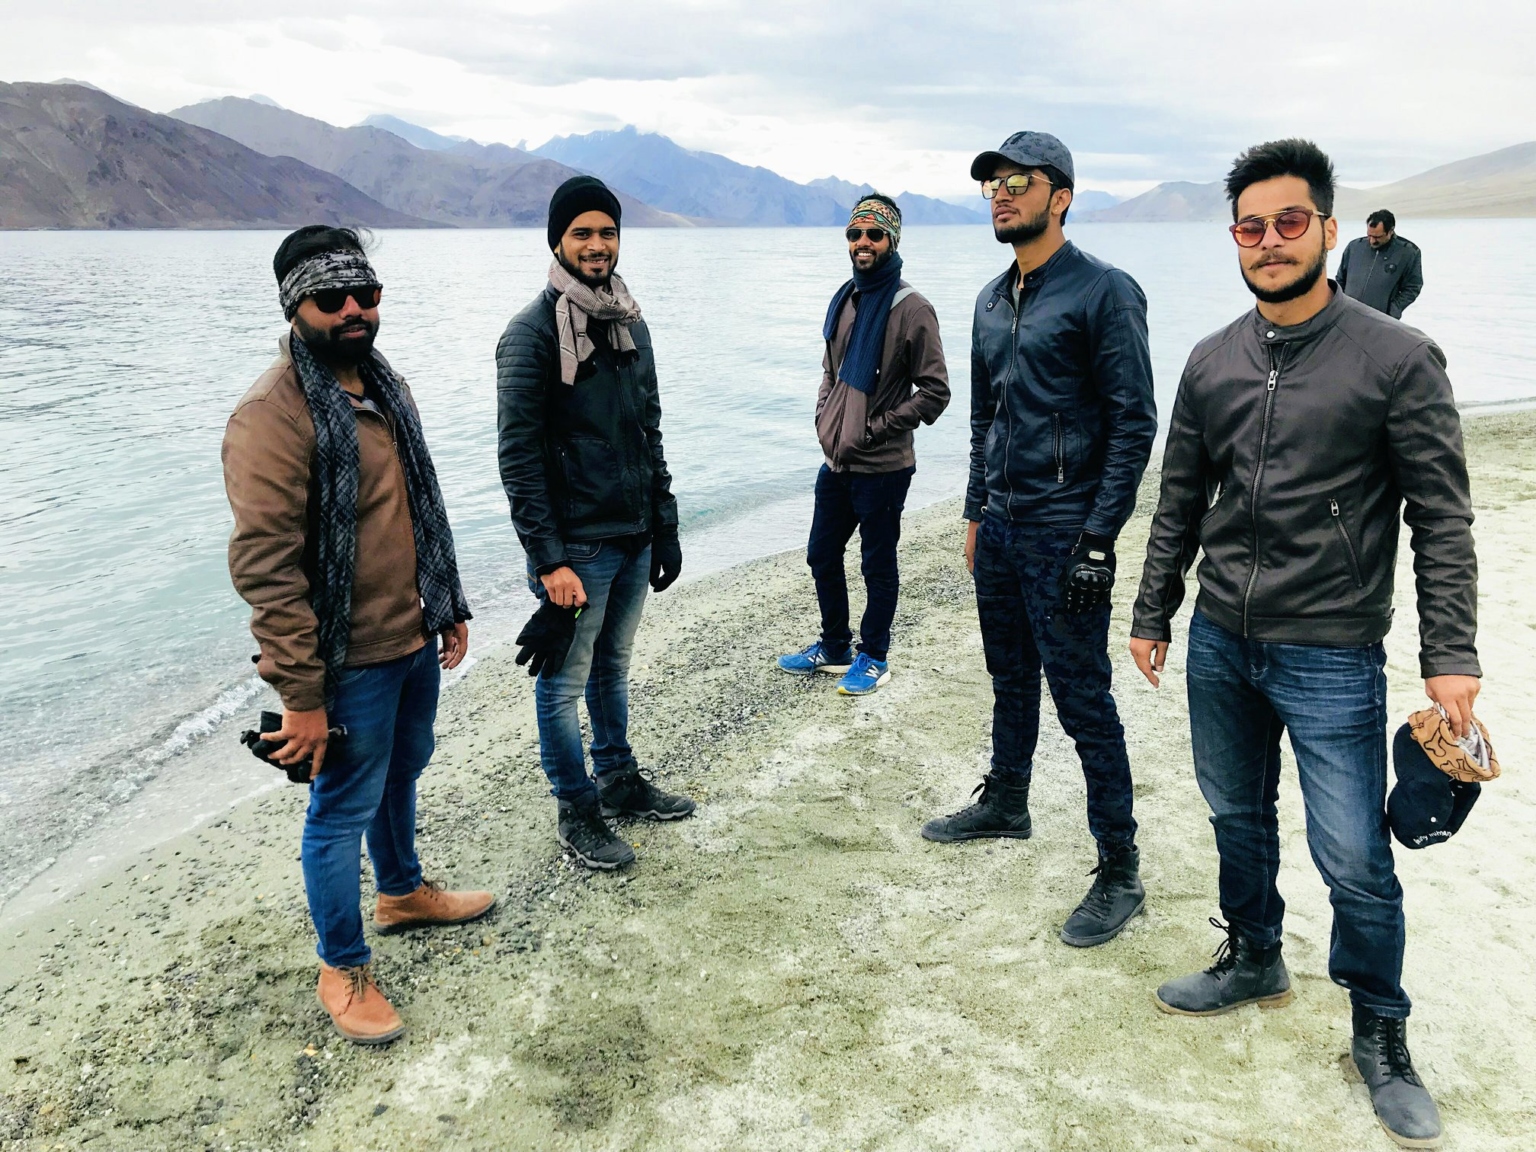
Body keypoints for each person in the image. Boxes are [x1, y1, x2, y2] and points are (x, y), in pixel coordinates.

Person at [1130, 139, 1478, 1149]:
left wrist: (1450, 651)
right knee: (1235, 813)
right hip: (1219, 641)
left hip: (1330, 647)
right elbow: (1178, 498)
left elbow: (1441, 516)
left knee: (1354, 854)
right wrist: (1153, 611)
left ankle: (1381, 1031)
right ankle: (1255, 956)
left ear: (1328, 228)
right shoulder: (1211, 360)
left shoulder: (1396, 358)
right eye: (1251, 226)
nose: (1270, 241)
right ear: (1234, 238)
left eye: (1290, 222)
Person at [223, 226, 493, 1046]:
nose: (353, 310)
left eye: (365, 294)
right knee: (340, 811)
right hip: (344, 663)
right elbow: (267, 569)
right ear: (294, 306)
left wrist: (445, 604)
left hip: (410, 635)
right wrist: (300, 697)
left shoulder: (384, 385)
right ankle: (340, 966)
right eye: (330, 298)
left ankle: (402, 892)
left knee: (403, 770)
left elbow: (413, 506)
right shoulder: (272, 415)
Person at [921, 131, 1158, 950]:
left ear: (1061, 197)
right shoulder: (991, 300)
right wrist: (975, 512)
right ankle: (1007, 800)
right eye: (992, 183)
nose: (1000, 194)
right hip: (1002, 528)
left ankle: (1120, 869)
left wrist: (1098, 539)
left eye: (1017, 182)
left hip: (1065, 531)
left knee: (1083, 698)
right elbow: (984, 417)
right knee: (1009, 675)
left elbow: (1133, 424)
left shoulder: (1104, 293)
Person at [496, 176, 696, 872]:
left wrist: (664, 522)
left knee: (613, 666)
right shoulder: (530, 334)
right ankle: (575, 808)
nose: (596, 244)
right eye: (581, 232)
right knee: (562, 682)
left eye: (607, 232)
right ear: (557, 241)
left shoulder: (629, 322)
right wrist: (548, 560)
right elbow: (519, 458)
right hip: (576, 546)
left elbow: (648, 430)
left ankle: (618, 778)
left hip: (633, 534)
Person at [776, 195, 951, 695]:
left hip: (884, 465)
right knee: (821, 554)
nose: (863, 243)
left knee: (877, 563)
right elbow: (830, 371)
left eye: (874, 234)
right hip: (837, 461)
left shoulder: (912, 309)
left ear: (892, 240)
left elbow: (935, 392)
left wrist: (873, 429)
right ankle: (835, 647)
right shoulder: (846, 298)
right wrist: (824, 417)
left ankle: (874, 655)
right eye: (855, 234)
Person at [1336, 208, 1423, 318]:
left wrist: (1392, 311)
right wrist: (1339, 305)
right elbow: (1340, 279)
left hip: (1381, 320)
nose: (1372, 241)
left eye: (1377, 237)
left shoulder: (1408, 252)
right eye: (1369, 235)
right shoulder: (1354, 247)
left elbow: (1413, 287)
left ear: (1390, 231)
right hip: (1347, 315)